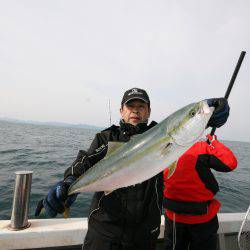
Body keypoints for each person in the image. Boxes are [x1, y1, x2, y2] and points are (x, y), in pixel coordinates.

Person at [35, 88, 230, 250]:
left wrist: (210, 114)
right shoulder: (106, 138)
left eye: (141, 107)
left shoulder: (161, 131)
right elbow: (84, 161)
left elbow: (189, 130)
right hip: (104, 234)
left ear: (149, 111)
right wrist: (70, 181)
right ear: (121, 111)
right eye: (130, 106)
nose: (135, 111)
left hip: (144, 235)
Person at [163, 133, 238, 250]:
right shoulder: (201, 148)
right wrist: (214, 142)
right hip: (203, 220)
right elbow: (230, 163)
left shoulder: (163, 150)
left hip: (173, 218)